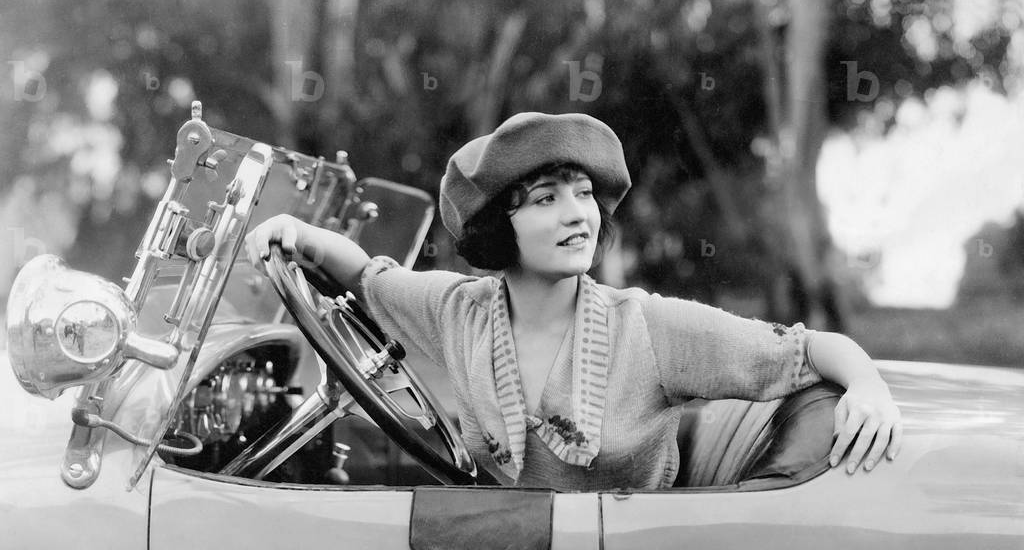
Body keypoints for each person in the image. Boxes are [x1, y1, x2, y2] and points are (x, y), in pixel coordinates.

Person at [245, 112, 901, 490]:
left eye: (584, 193)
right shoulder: (459, 311)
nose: (577, 215)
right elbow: (366, 278)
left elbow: (801, 350)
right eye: (547, 198)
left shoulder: (648, 328)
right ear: (504, 224)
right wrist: (298, 234)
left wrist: (867, 381)